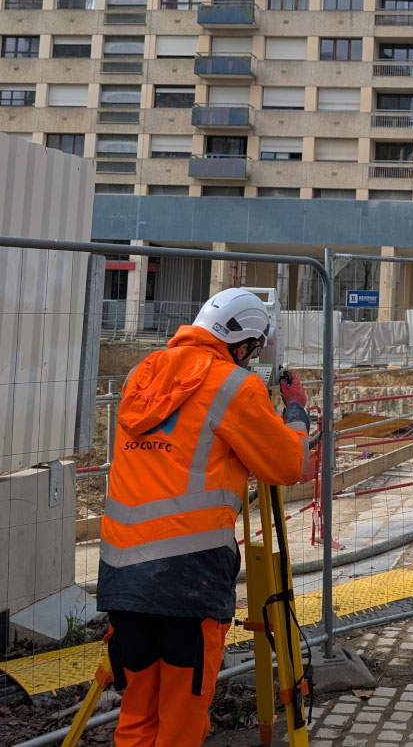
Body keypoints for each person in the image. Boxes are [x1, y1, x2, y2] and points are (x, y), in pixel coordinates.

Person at [97, 287, 311, 747]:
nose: (252, 360)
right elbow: (288, 464)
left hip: (121, 576)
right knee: (180, 720)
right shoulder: (235, 386)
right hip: (186, 580)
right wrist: (296, 412)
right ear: (239, 345)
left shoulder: (142, 375)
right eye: (252, 351)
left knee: (136, 716)